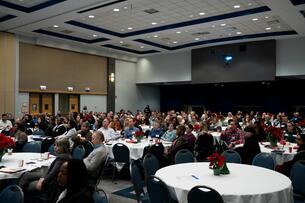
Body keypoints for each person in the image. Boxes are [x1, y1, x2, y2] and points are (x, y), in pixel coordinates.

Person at [18, 138, 71, 203]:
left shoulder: (62, 158)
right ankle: (19, 193)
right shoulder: (67, 155)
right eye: (55, 145)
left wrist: (42, 182)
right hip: (48, 177)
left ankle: (18, 196)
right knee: (27, 174)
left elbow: (52, 174)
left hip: (50, 184)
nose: (55, 147)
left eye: (57, 146)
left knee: (27, 184)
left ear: (64, 147)